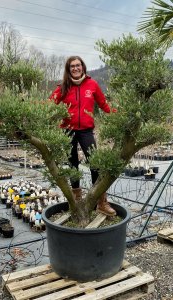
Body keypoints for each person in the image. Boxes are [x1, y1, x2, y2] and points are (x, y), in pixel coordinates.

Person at [50, 56, 116, 216]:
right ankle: (77, 198)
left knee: (95, 163)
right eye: (72, 66)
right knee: (72, 164)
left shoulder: (92, 84)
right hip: (68, 130)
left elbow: (104, 105)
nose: (75, 68)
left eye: (78, 65)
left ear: (83, 67)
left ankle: (101, 201)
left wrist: (118, 115)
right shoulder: (63, 87)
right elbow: (49, 104)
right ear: (68, 69)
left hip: (86, 130)